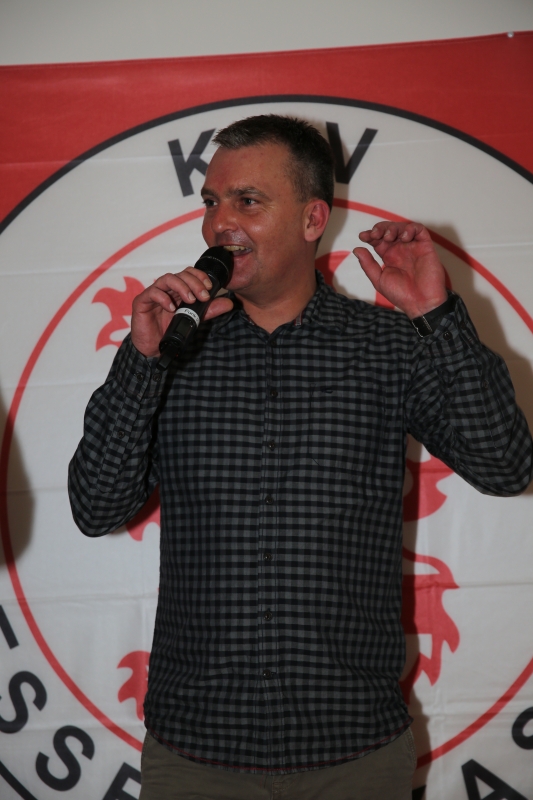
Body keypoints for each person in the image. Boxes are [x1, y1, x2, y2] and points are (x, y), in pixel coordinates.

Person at [69, 115, 532, 799]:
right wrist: (141, 363)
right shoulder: (169, 351)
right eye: (211, 202)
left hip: (353, 753)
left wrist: (436, 316)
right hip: (195, 753)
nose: (219, 223)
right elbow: (95, 508)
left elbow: (505, 465)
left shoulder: (387, 345)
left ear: (314, 218)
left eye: (247, 201)